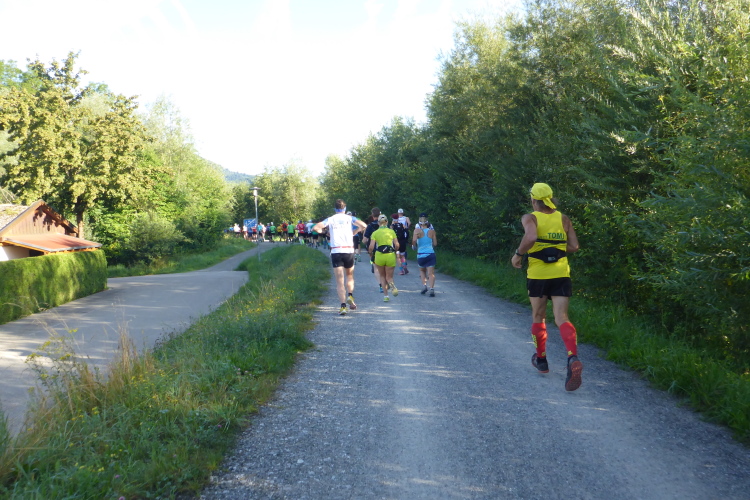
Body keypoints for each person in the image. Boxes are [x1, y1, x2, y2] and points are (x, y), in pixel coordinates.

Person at [511, 182, 582, 392]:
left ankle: (541, 360)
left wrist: (518, 254)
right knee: (562, 317)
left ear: (533, 199)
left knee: (538, 316)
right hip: (561, 273)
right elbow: (574, 246)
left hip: (539, 275)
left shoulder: (530, 217)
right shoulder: (563, 219)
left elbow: (531, 236)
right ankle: (572, 357)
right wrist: (555, 247)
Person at [313, 199, 367, 315]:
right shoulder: (350, 218)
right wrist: (355, 232)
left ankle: (343, 306)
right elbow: (364, 225)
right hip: (348, 250)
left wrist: (326, 233)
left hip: (336, 251)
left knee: (339, 281)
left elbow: (316, 228)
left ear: (335, 209)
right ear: (345, 209)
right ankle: (350, 296)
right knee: (350, 276)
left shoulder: (331, 219)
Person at [368, 214, 400, 302]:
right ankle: (392, 285)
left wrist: (370, 253)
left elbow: (371, 247)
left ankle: (386, 296)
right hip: (390, 255)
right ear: (387, 222)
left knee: (382, 276)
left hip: (379, 255)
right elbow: (397, 244)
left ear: (378, 223)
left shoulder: (375, 233)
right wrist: (395, 250)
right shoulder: (391, 232)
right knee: (389, 277)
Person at [412, 213, 437, 297]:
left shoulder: (417, 231)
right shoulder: (432, 231)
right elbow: (435, 244)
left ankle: (424, 286)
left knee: (422, 271)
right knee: (431, 273)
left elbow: (414, 241)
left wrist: (414, 246)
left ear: (419, 222)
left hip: (421, 254)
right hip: (430, 254)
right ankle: (432, 289)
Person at [362, 207, 383, 291]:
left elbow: (364, 240)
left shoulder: (370, 226)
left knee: (376, 268)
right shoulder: (385, 225)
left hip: (374, 249)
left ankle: (381, 285)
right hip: (386, 249)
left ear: (372, 215)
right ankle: (386, 281)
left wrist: (365, 243)